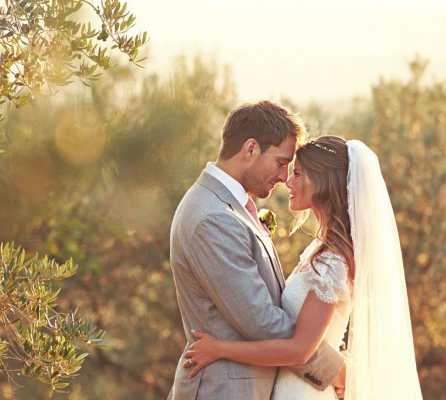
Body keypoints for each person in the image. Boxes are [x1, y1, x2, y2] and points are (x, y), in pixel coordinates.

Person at [183, 136, 424, 400]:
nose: (288, 182)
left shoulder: (332, 261)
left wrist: (220, 349)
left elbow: (299, 351)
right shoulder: (322, 249)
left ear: (322, 182)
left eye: (297, 174)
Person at [168, 102, 345, 400]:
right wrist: (337, 370)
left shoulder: (228, 207)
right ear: (250, 149)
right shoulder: (215, 218)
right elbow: (262, 323)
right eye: (280, 162)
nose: (284, 176)